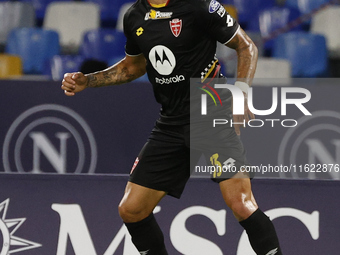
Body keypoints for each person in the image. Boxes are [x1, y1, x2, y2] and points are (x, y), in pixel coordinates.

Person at [61, 0, 283, 254]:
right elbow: (131, 67)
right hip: (171, 121)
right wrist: (87, 81)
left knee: (241, 204)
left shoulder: (200, 5)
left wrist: (242, 94)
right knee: (132, 209)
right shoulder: (134, 16)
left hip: (212, 113)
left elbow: (246, 46)